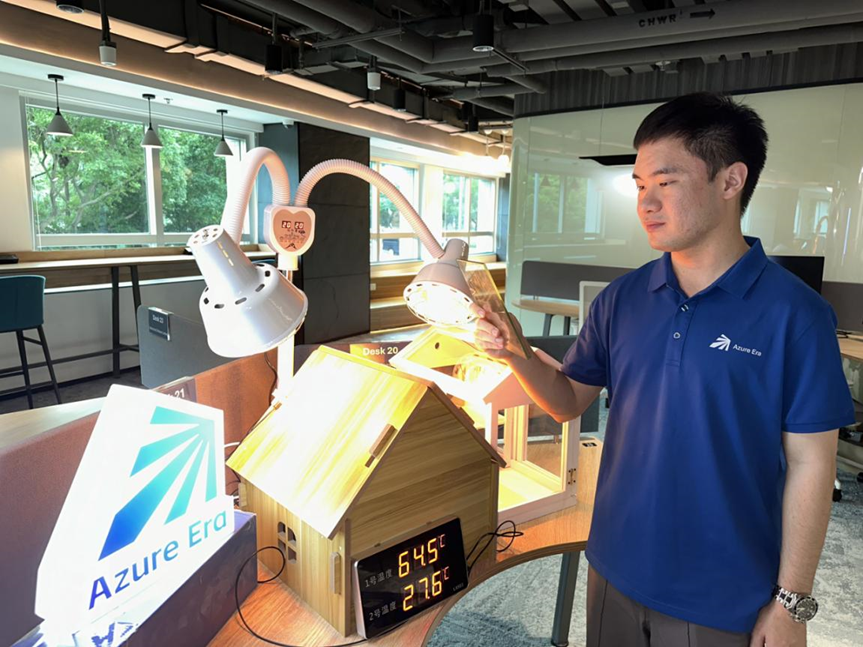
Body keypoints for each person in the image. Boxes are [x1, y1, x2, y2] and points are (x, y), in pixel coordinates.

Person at [473, 92, 856, 647]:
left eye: (666, 182)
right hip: (614, 566)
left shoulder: (797, 316)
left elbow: (811, 465)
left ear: (731, 181)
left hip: (725, 593)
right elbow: (566, 401)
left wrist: (792, 603)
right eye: (639, 185)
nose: (646, 203)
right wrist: (514, 351)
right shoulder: (621, 299)